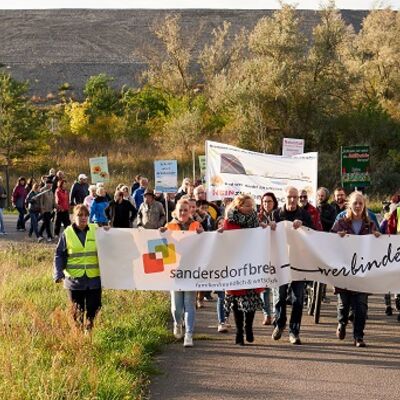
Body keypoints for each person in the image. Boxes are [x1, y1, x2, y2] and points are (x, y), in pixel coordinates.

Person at [331, 191, 380, 347]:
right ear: (349, 205)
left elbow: (380, 245)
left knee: (361, 306)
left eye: (360, 203)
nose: (358, 206)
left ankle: (358, 336)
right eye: (355, 203)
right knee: (344, 304)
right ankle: (341, 322)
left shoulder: (370, 224)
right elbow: (329, 241)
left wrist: (378, 237)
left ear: (364, 205)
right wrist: (337, 237)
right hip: (344, 270)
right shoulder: (341, 223)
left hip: (362, 272)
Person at [270, 186, 313, 345]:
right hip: (280, 262)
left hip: (299, 262)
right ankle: (279, 324)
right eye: (290, 197)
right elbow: (267, 235)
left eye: (295, 197)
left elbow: (313, 233)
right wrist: (271, 227)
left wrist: (304, 226)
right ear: (284, 197)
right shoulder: (276, 214)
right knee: (279, 297)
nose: (293, 200)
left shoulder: (305, 214)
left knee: (298, 299)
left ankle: (294, 331)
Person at [160, 198, 204, 347]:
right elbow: (162, 247)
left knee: (189, 304)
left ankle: (189, 334)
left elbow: (204, 245)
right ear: (175, 212)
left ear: (190, 211)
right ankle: (178, 323)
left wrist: (202, 235)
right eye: (181, 210)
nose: (183, 212)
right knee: (176, 307)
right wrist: (161, 235)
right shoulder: (169, 226)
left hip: (191, 271)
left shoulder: (196, 225)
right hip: (174, 272)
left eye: (186, 210)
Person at [53, 204, 102, 333]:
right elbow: (59, 254)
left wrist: (108, 231)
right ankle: (78, 335)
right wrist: (58, 273)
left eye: (86, 215)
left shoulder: (96, 229)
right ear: (73, 217)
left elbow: (110, 243)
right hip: (74, 281)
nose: (83, 218)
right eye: (80, 215)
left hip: (93, 279)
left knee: (94, 307)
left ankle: (89, 330)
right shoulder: (67, 233)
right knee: (76, 311)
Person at [223, 194, 265, 345]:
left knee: (251, 298)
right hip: (235, 265)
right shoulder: (229, 221)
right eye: (246, 205)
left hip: (251, 265)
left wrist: (265, 229)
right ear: (238, 206)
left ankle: (248, 327)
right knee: (236, 300)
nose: (249, 208)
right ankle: (239, 331)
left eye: (251, 205)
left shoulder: (255, 220)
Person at [258, 192, 279, 326]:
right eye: (264, 201)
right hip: (262, 255)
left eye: (269, 201)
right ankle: (267, 314)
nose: (267, 204)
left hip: (277, 254)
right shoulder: (257, 216)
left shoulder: (279, 215)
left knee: (276, 286)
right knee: (264, 287)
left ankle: (276, 314)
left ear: (274, 202)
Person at [36, 178, 56, 242]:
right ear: (46, 184)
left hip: (50, 209)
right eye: (48, 183)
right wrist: (42, 209)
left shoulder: (51, 190)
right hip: (44, 209)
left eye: (51, 184)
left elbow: (53, 200)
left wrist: (56, 206)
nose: (50, 185)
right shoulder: (42, 190)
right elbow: (41, 201)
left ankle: (40, 233)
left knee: (45, 222)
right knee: (47, 223)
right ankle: (49, 236)